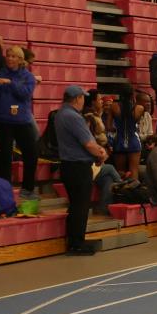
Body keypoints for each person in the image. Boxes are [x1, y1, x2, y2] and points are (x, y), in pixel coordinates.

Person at [54, 86, 108, 255]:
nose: (84, 101)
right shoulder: (73, 117)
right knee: (81, 206)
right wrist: (101, 153)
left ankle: (75, 240)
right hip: (78, 166)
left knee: (76, 205)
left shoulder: (60, 114)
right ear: (77, 98)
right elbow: (88, 143)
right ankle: (77, 243)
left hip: (68, 165)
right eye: (83, 97)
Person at [0, 46, 38, 198]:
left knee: (31, 154)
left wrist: (10, 83)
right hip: (2, 121)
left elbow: (25, 94)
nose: (10, 58)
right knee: (4, 157)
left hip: (22, 120)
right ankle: (4, 190)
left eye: (13, 56)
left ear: (20, 59)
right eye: (8, 55)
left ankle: (28, 188)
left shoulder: (28, 77)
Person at [111, 85, 145, 181]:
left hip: (119, 141)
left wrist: (117, 128)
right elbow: (138, 125)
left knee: (120, 172)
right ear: (132, 94)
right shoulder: (139, 108)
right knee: (134, 171)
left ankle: (121, 189)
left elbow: (109, 127)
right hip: (134, 141)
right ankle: (134, 189)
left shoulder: (113, 107)